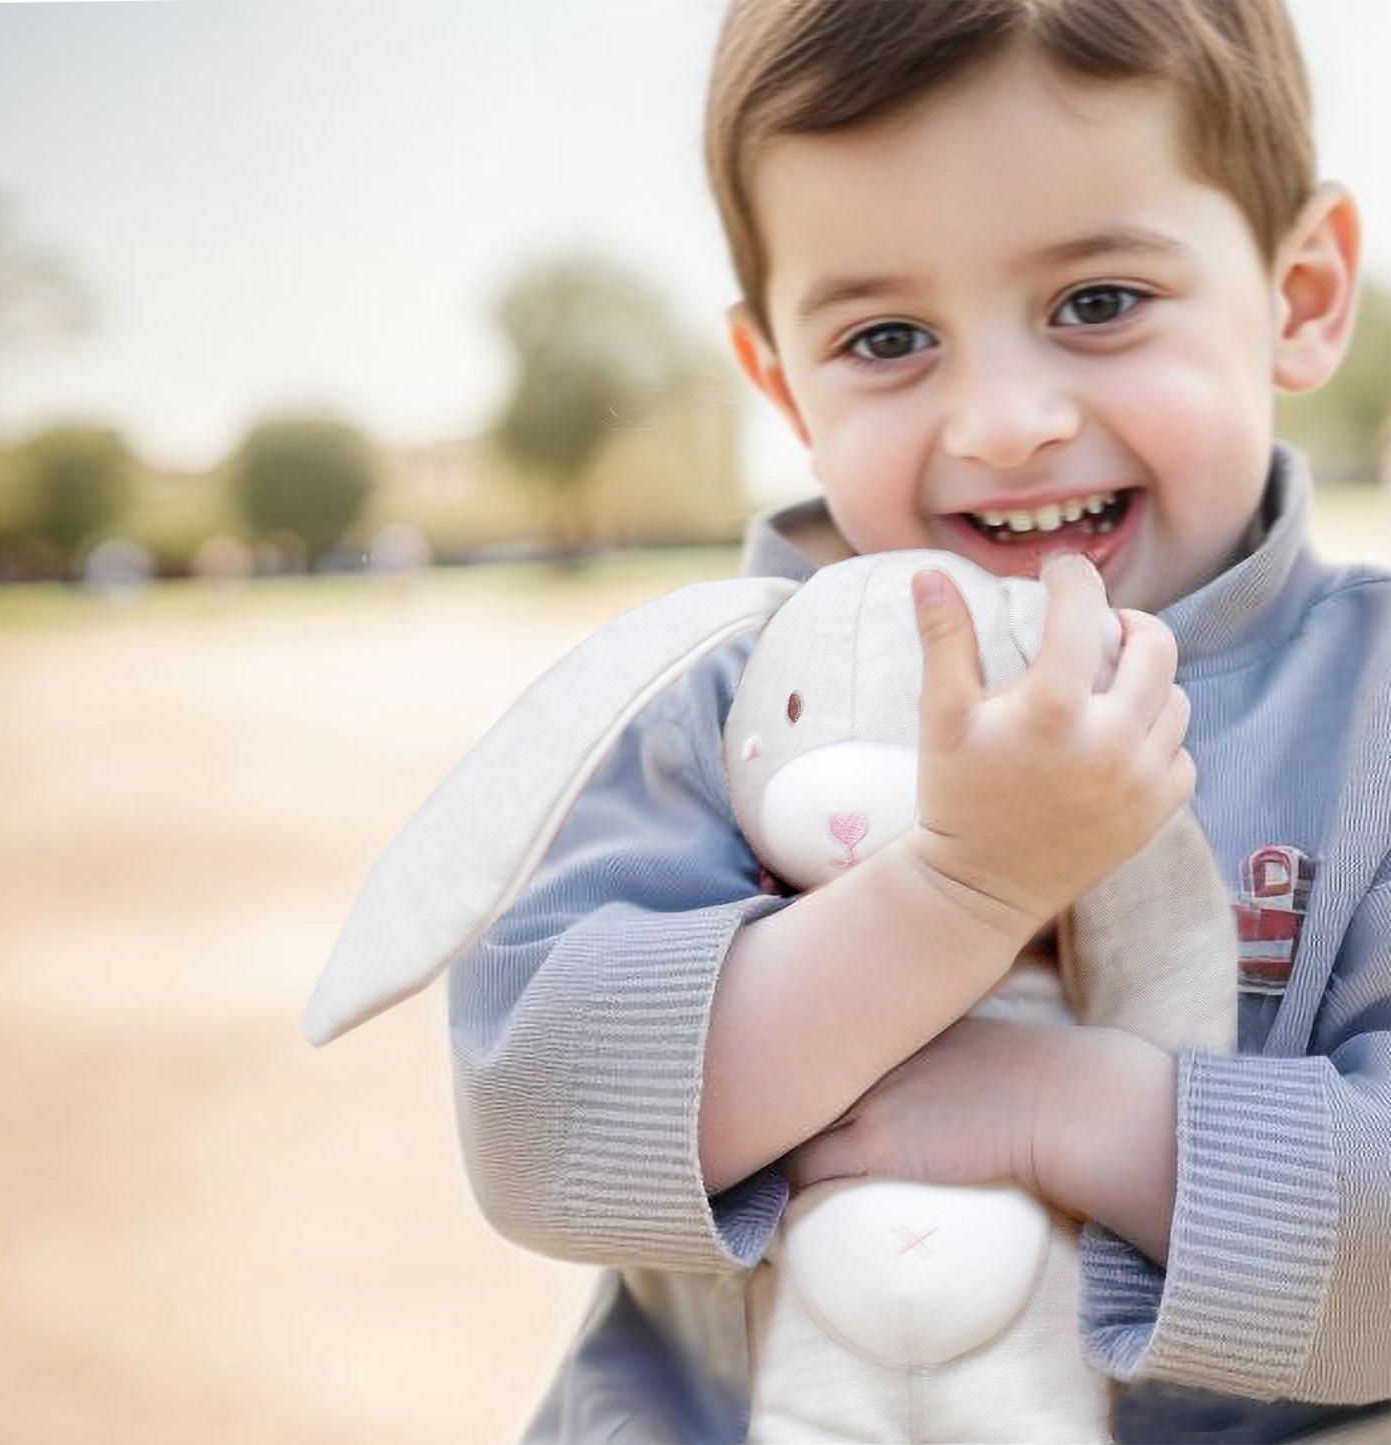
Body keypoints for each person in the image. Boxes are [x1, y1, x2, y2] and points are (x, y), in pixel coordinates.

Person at [448, 2, 1391, 1440]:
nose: (1005, 420)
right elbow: (539, 1117)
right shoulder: (719, 700)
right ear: (779, 379)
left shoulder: (1372, 709)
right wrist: (966, 893)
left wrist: (1073, 1110)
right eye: (889, 336)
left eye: (1099, 301)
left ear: (1304, 291)